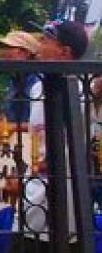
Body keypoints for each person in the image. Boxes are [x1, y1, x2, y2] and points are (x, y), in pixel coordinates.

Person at [20, 19, 91, 251]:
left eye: (47, 39)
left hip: (65, 194)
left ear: (65, 51)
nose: (39, 44)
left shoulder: (80, 90)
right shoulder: (37, 87)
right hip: (34, 187)